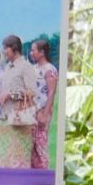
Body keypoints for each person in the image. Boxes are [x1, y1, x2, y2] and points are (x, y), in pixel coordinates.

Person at [0, 33, 43, 166]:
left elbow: (32, 92)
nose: (3, 52)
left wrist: (11, 94)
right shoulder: (7, 67)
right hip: (4, 120)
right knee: (3, 161)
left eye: (6, 48)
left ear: (14, 48)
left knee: (17, 160)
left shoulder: (26, 67)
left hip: (19, 120)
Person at [30, 38, 60, 167]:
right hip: (31, 110)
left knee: (41, 143)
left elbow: (51, 92)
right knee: (31, 144)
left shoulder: (50, 70)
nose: (31, 53)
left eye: (33, 50)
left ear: (42, 52)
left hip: (42, 110)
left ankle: (43, 173)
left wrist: (45, 113)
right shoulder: (34, 68)